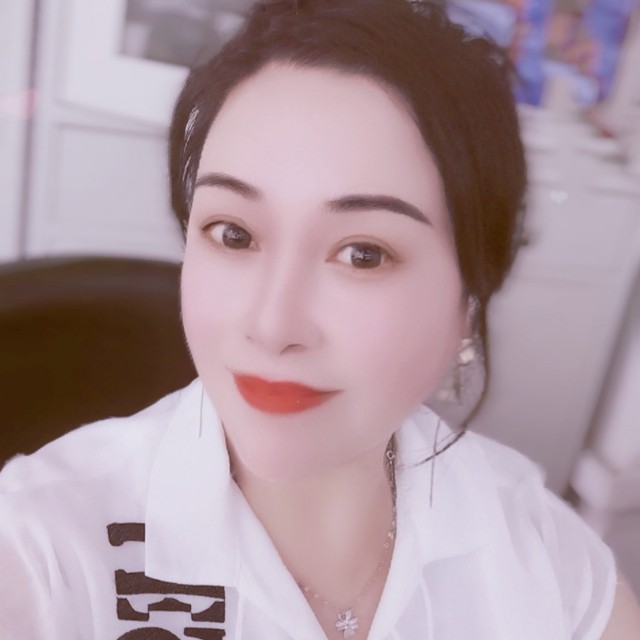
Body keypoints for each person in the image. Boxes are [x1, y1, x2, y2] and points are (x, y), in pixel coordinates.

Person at [1, 1, 639, 638]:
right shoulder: (42, 547)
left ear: (469, 301)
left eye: (363, 254)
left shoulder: (541, 559)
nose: (272, 325)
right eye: (233, 234)